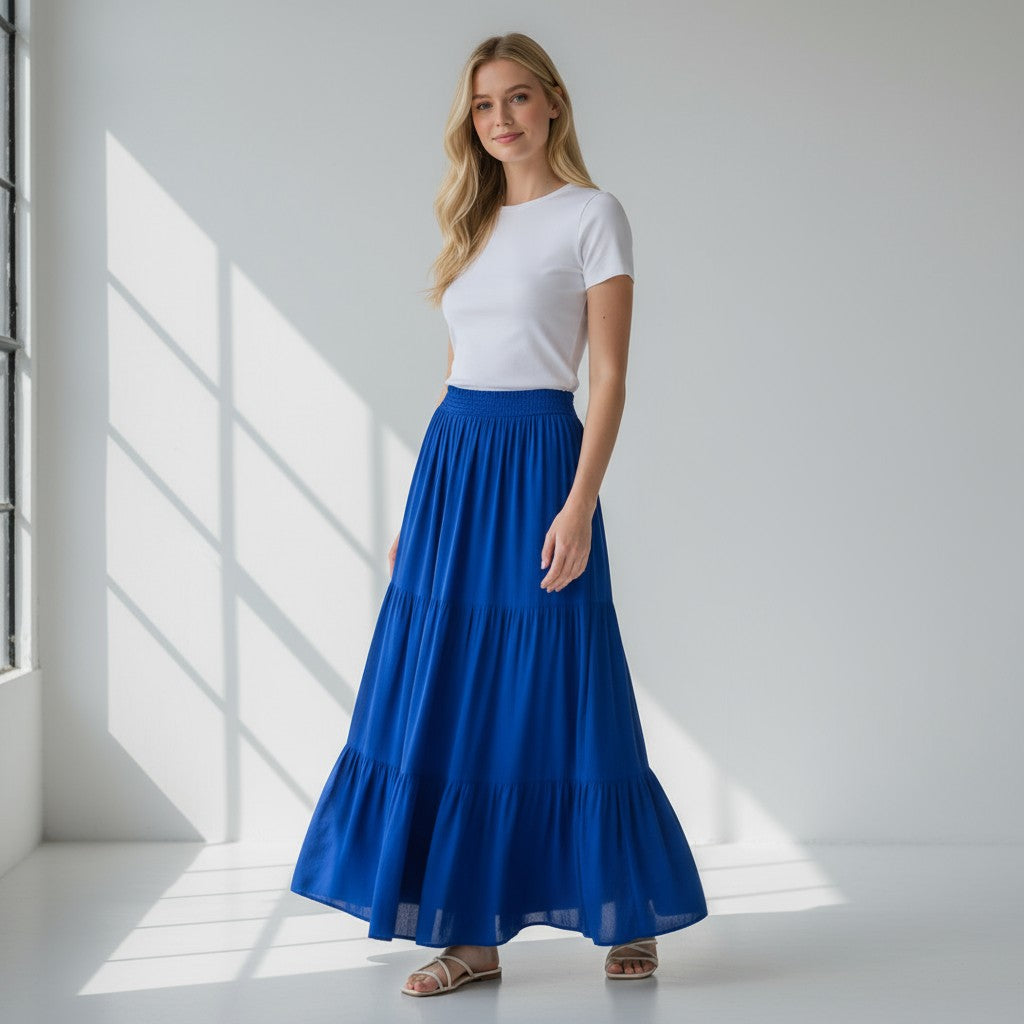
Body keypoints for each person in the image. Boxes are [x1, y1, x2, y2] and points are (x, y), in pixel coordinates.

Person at [289, 31, 709, 997]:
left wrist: (580, 500)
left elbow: (607, 380)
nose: (502, 119)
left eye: (518, 99)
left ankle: (626, 910)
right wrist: (421, 508)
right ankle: (471, 938)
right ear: (470, 123)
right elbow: (457, 369)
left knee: (567, 677)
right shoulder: (471, 222)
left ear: (553, 104)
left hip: (540, 464)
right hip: (456, 463)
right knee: (451, 690)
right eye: (484, 106)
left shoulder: (593, 216)